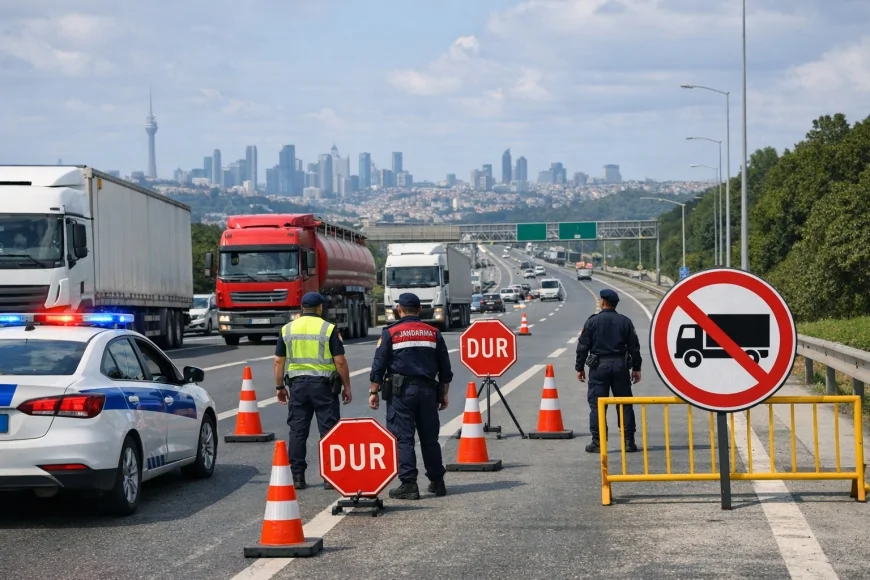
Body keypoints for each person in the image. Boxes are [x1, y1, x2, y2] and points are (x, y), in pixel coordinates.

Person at [369, 293, 453, 500]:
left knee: (403, 438)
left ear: (399, 309)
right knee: (429, 438)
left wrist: (373, 391)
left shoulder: (391, 332)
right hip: (428, 392)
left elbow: (378, 365)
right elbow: (445, 369)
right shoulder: (433, 333)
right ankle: (437, 481)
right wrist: (443, 394)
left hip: (401, 393)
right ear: (420, 309)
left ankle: (409, 484)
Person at [275, 292, 352, 489]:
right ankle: (330, 477)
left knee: (298, 431)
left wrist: (279, 387)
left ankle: (298, 476)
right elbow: (340, 361)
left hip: (298, 386)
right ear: (320, 308)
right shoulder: (328, 329)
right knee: (328, 432)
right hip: (324, 387)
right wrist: (347, 387)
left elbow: (278, 361)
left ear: (302, 308)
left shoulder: (287, 329)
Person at [575, 288, 642, 454]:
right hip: (620, 366)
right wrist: (636, 368)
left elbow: (583, 346)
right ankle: (628, 442)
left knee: (597, 405)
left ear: (603, 302)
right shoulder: (625, 321)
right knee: (625, 404)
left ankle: (598, 442)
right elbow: (634, 347)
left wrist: (580, 367)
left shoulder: (592, 322)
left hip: (598, 367)